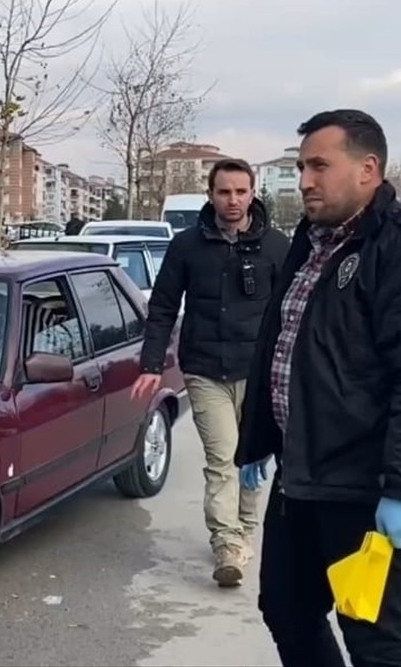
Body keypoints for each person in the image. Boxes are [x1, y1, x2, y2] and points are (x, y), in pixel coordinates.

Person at [236, 109, 401, 667]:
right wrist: (257, 439)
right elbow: (289, 345)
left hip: (364, 487)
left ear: (368, 169)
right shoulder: (313, 242)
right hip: (301, 474)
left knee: (372, 637)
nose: (306, 179)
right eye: (300, 166)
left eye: (320, 165)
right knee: (286, 610)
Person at [132, 158, 290, 587]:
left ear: (253, 193)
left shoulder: (277, 247)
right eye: (224, 192)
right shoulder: (187, 246)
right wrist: (150, 364)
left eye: (241, 191)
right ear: (211, 195)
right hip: (205, 371)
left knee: (253, 457)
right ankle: (226, 543)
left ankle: (244, 530)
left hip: (259, 374)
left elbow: (293, 314)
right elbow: (162, 306)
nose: (233, 200)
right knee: (223, 458)